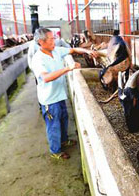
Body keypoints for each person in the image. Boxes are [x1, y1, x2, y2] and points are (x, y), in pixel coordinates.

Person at [31, 27, 100, 160]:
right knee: (53, 126)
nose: (54, 42)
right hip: (49, 100)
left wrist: (87, 51)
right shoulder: (38, 59)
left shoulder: (55, 51)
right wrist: (68, 68)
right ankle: (55, 151)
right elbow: (45, 77)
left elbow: (73, 50)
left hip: (59, 95)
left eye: (54, 38)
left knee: (63, 119)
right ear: (41, 42)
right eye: (51, 39)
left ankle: (64, 140)